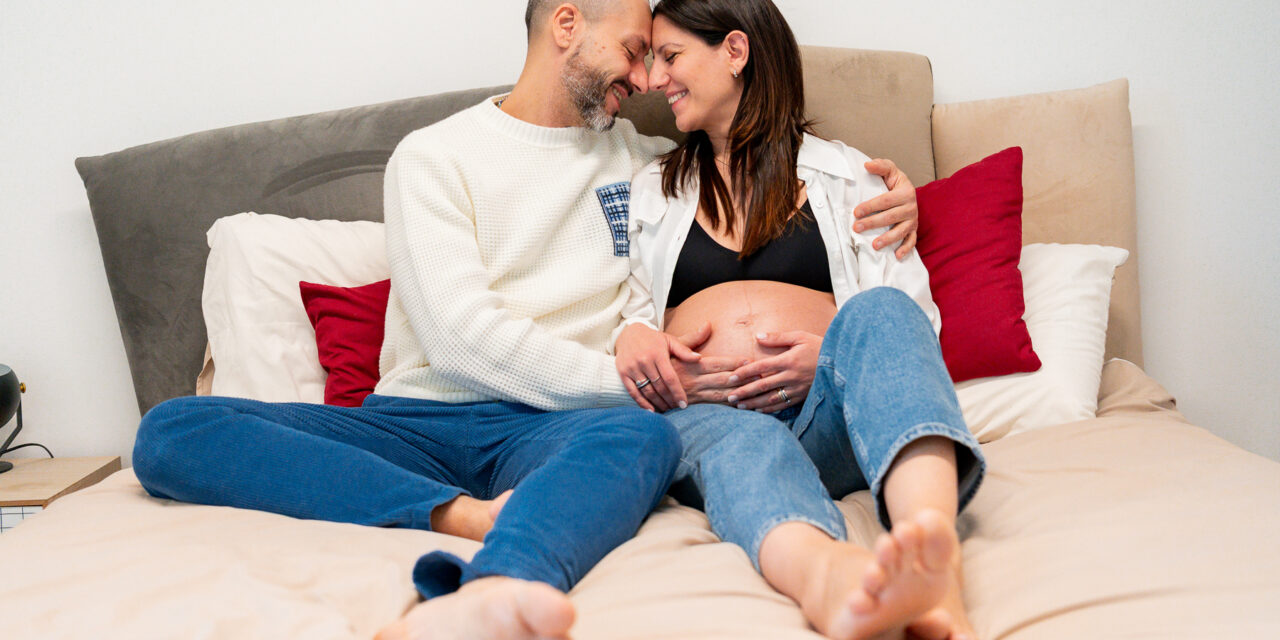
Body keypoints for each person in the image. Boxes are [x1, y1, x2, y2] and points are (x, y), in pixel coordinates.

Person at [131, 1, 923, 639]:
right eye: (636, 50)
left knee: (644, 438)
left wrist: (895, 194)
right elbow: (456, 337)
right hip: (419, 420)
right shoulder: (433, 158)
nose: (647, 78)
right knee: (171, 432)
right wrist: (628, 381)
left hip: (554, 433)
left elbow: (745, 169)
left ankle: (497, 589)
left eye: (660, 58)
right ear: (567, 25)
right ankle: (460, 515)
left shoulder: (644, 168)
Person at [613, 1, 986, 639]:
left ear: (735, 51)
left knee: (883, 309)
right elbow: (619, 308)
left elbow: (911, 324)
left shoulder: (851, 179)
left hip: (828, 422)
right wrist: (637, 342)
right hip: (711, 423)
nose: (654, 79)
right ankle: (831, 578)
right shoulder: (647, 189)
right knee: (746, 443)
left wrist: (829, 359)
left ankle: (934, 564)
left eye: (671, 57)